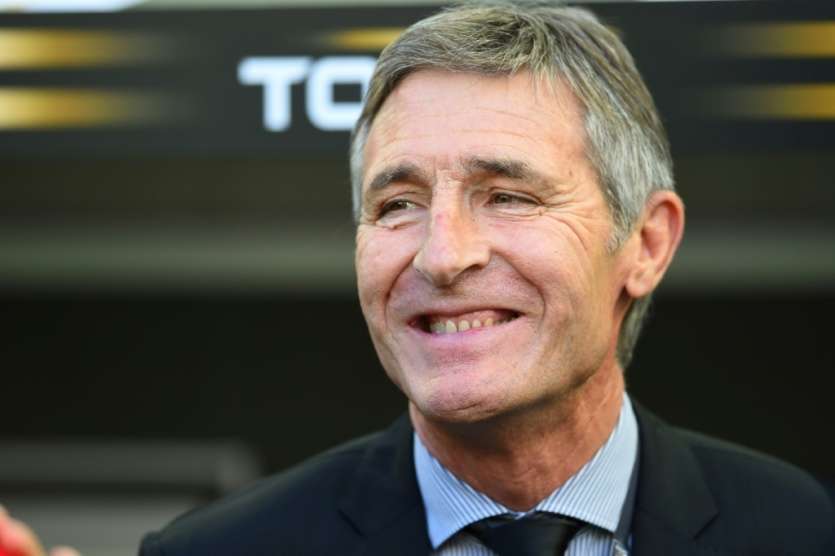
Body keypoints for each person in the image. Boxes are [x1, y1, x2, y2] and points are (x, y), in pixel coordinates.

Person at [2, 3, 833, 555]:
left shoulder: (801, 534)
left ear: (645, 244)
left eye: (506, 196)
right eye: (397, 205)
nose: (441, 255)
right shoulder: (217, 553)